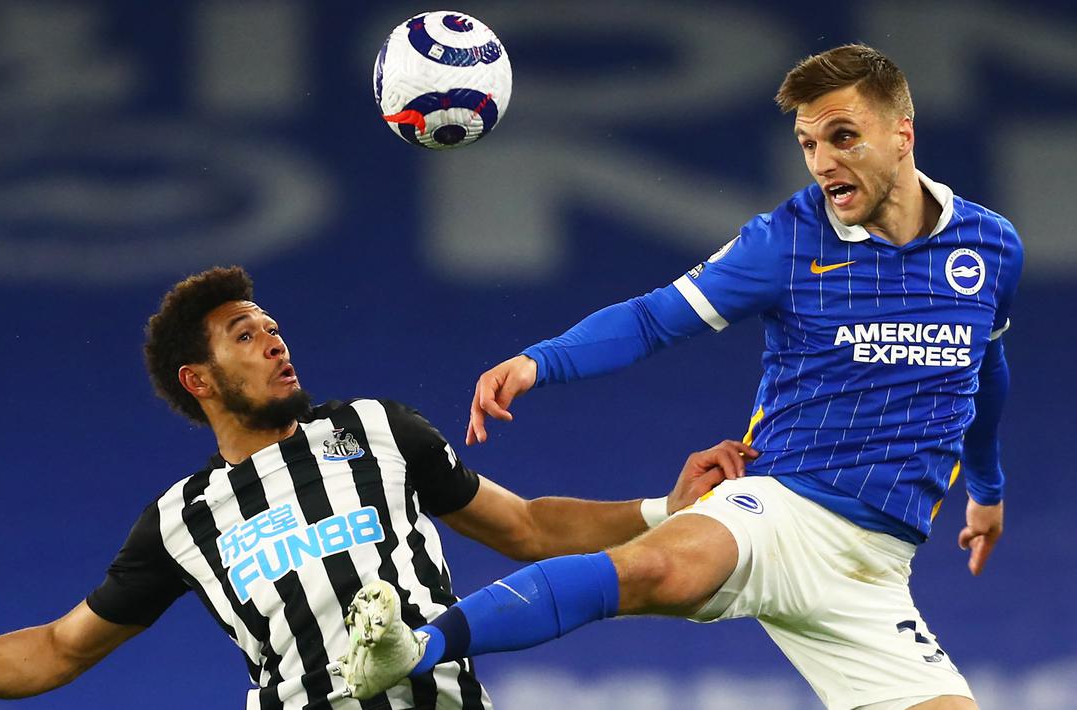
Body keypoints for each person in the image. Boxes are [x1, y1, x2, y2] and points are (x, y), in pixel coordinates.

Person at [339, 44, 1022, 710]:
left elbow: (982, 370)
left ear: (901, 133)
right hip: (782, 510)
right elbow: (651, 319)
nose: (822, 163)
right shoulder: (786, 239)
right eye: (808, 144)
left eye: (842, 137)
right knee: (656, 568)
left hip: (874, 571)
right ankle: (417, 647)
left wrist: (985, 490)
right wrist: (539, 360)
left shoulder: (991, 247)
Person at [0, 266, 755, 710]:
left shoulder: (377, 430)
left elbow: (521, 527)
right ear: (198, 381)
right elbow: (59, 648)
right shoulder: (182, 522)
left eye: (274, 327)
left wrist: (661, 510)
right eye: (246, 335)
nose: (276, 341)